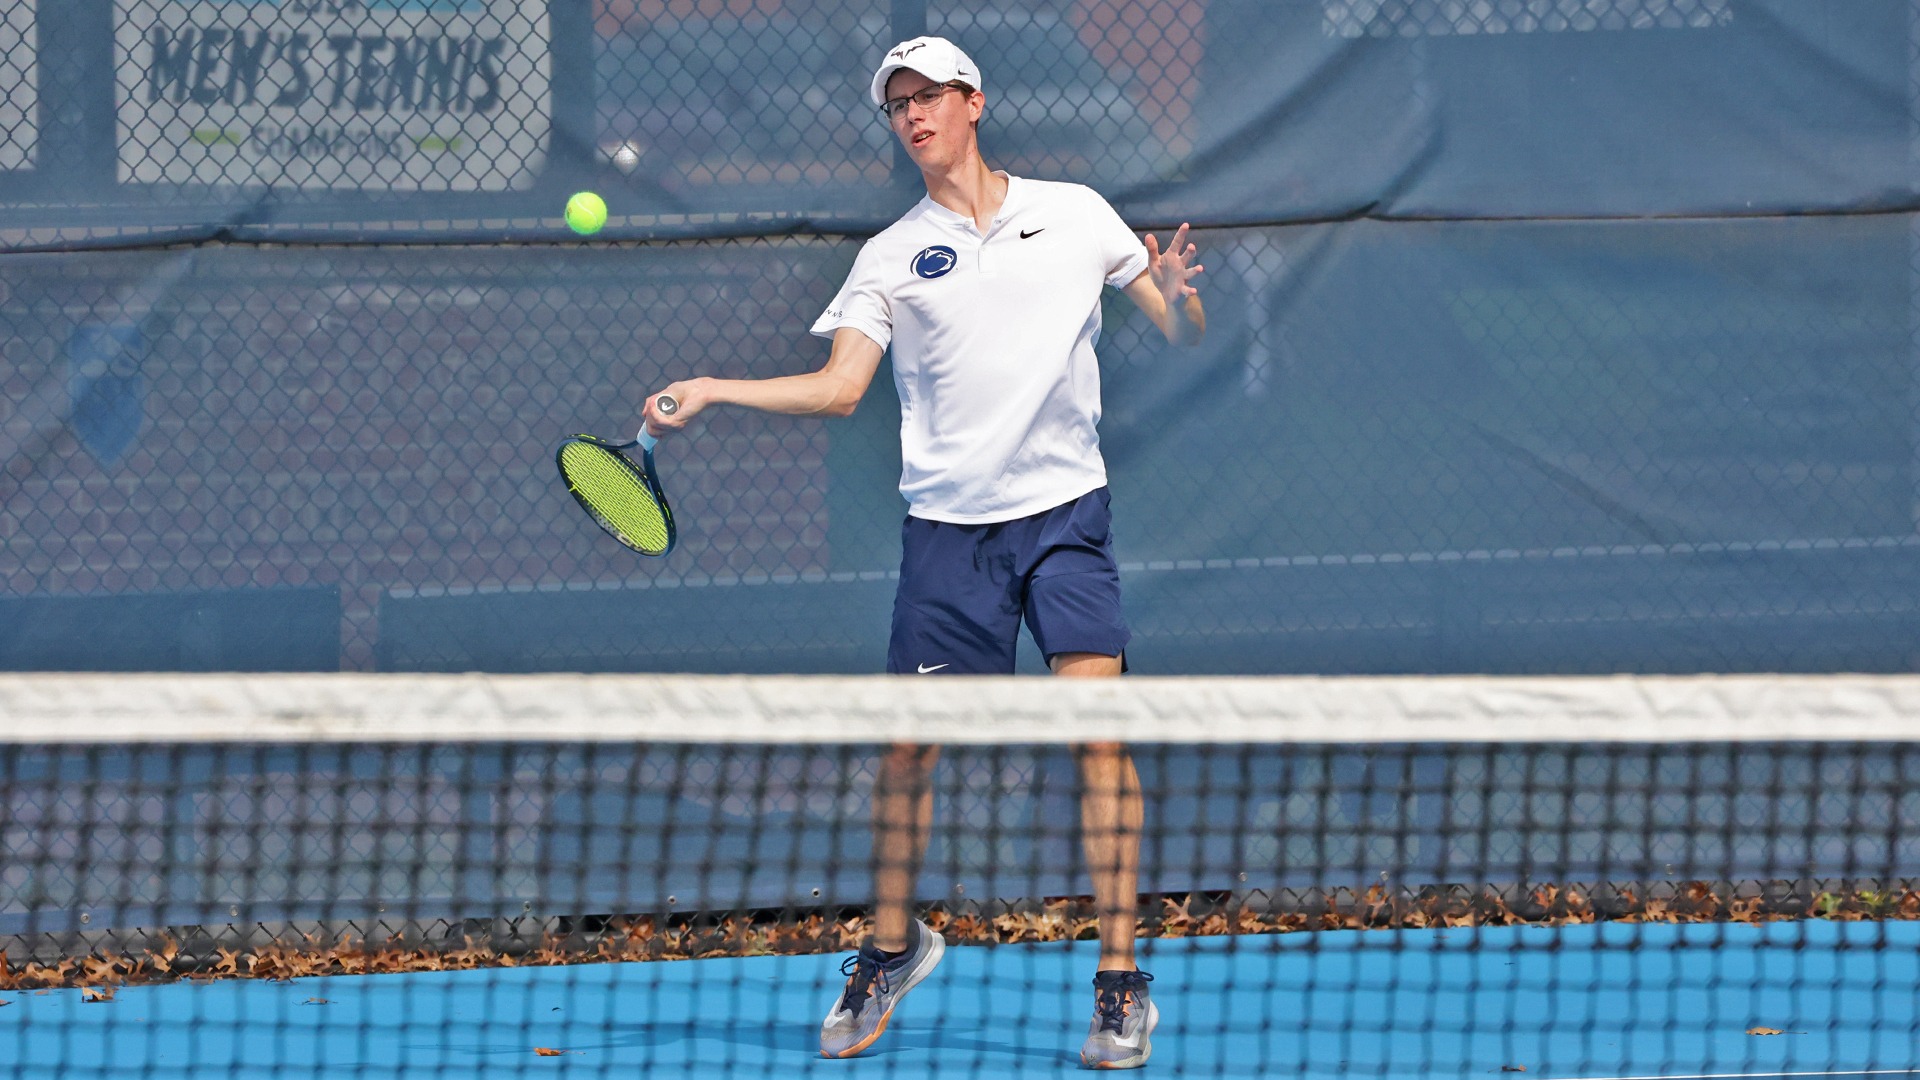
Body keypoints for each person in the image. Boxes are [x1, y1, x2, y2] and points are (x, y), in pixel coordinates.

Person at [640, 35, 1203, 1070]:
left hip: (1065, 517)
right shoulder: (892, 255)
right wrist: (717, 389)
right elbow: (840, 386)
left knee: (1099, 739)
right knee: (907, 753)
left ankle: (1121, 986)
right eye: (897, 103)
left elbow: (1178, 329)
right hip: (950, 536)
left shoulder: (1076, 212)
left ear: (972, 101)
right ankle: (893, 949)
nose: (912, 115)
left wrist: (1180, 291)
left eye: (927, 95)